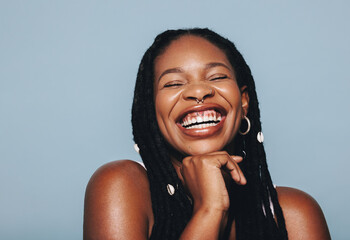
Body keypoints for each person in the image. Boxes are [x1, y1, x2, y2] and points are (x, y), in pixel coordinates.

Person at [83, 28, 331, 240]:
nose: (199, 91)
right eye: (174, 83)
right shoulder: (122, 186)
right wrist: (210, 209)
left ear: (244, 102)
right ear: (151, 110)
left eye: (217, 77)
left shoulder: (293, 215)